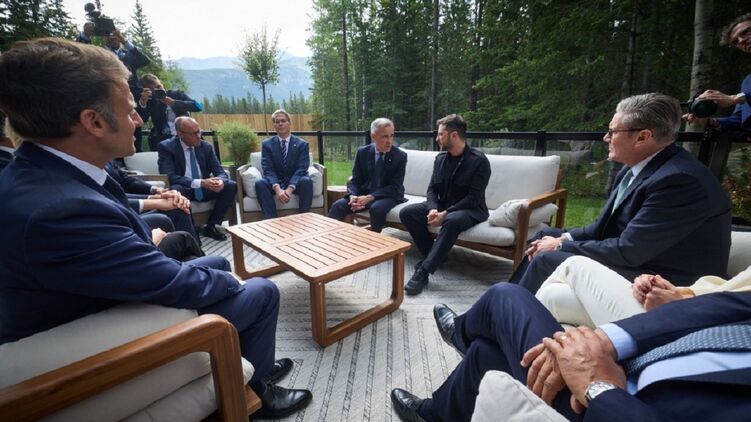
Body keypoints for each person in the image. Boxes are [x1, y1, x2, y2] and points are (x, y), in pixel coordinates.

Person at [0, 38, 311, 418]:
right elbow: (172, 284)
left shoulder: (42, 175)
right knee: (260, 289)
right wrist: (232, 283)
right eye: (131, 110)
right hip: (99, 332)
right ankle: (257, 391)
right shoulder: (59, 209)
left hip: (97, 299)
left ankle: (248, 357)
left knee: (217, 264)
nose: (139, 120)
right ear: (93, 121)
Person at [390, 283, 751, 422]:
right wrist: (606, 340)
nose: (606, 142)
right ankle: (437, 413)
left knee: (504, 297)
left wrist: (599, 387)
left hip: (609, 409)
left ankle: (461, 335)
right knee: (489, 352)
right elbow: (725, 306)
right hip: (627, 361)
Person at [509, 93, 732, 294]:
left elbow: (629, 250)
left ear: (642, 137)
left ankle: (510, 309)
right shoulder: (634, 169)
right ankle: (506, 301)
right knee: (543, 235)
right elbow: (601, 228)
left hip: (664, 278)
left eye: (613, 132)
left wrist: (559, 246)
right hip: (638, 258)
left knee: (547, 257)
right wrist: (561, 239)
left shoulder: (680, 181)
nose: (606, 138)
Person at [399, 114, 491, 295]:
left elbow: (473, 198)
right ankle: (435, 256)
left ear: (454, 135)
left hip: (470, 209)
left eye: (441, 134)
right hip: (443, 205)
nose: (437, 138)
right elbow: (432, 189)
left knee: (452, 220)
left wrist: (446, 213)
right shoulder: (440, 159)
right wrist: (433, 208)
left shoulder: (479, 161)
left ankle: (424, 271)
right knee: (407, 213)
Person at [536, 255, 751, 327]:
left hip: (691, 328)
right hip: (693, 308)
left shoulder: (680, 180)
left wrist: (682, 306)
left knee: (574, 264)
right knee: (554, 296)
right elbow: (728, 288)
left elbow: (631, 247)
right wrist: (678, 292)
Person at [157, 116, 236, 241]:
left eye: (199, 131)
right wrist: (200, 182)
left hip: (205, 189)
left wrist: (220, 181)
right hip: (186, 189)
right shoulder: (167, 147)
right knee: (176, 189)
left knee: (231, 185)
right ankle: (191, 230)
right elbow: (170, 176)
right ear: (180, 134)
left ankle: (212, 226)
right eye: (194, 133)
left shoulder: (205, 147)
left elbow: (220, 172)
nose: (199, 136)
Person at [328, 118, 407, 231]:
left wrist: (370, 197)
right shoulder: (363, 152)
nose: (389, 141)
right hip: (365, 193)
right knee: (338, 205)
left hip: (388, 195)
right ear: (373, 136)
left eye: (391, 136)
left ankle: (375, 240)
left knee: (376, 209)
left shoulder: (400, 156)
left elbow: (395, 186)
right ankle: (329, 236)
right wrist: (353, 196)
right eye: (385, 136)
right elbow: (355, 180)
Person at [683, 13, 751, 141]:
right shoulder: (748, 82)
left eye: (746, 32)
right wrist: (710, 121)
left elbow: (740, 98)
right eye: (736, 41)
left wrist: (735, 98)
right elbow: (738, 120)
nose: (741, 40)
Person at [255, 109, 314, 219]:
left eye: (283, 121)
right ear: (274, 125)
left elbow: (302, 168)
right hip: (276, 181)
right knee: (260, 183)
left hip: (295, 181)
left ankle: (304, 218)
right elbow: (268, 168)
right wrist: (277, 189)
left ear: (289, 123)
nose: (280, 124)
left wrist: (290, 189)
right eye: (277, 122)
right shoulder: (267, 145)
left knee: (306, 181)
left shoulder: (302, 144)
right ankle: (271, 220)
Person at [137, 73, 203, 152]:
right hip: (163, 141)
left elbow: (198, 107)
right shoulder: (150, 102)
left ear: (162, 84)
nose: (158, 91)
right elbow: (143, 120)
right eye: (153, 90)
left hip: (186, 137)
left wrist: (173, 102)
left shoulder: (176, 94)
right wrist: (143, 103)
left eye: (159, 86)